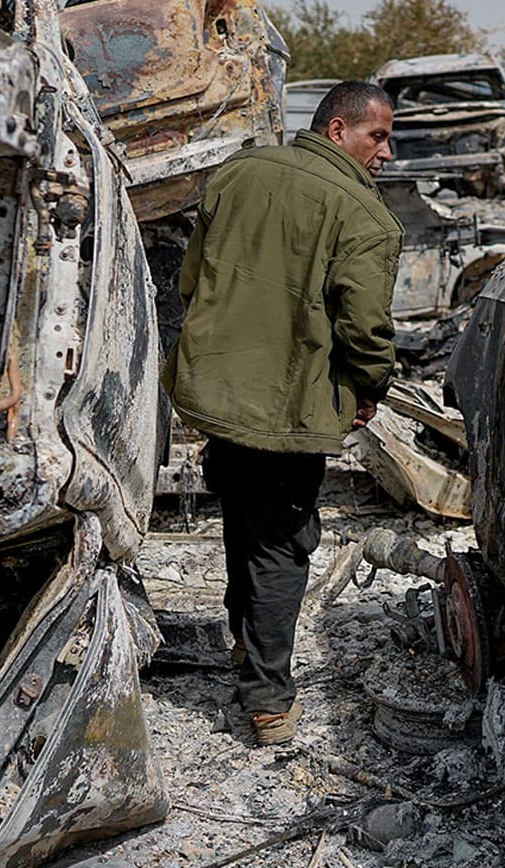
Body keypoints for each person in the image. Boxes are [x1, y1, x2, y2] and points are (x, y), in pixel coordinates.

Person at [168, 80, 402, 745]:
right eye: (376, 135)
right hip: (288, 407)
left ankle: (247, 650)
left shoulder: (237, 173)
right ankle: (268, 701)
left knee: (243, 521)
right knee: (281, 544)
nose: (387, 151)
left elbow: (191, 280)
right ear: (336, 130)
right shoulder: (365, 216)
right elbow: (365, 329)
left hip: (218, 393)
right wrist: (369, 385)